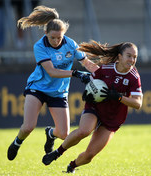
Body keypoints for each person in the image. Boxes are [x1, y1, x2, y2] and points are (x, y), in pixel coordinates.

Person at [7, 6, 99, 161]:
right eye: (53, 38)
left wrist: (104, 75)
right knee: (28, 126)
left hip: (58, 92)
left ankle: (50, 133)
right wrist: (76, 73)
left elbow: (88, 64)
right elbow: (52, 71)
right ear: (45, 34)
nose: (56, 41)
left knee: (63, 134)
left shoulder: (70, 44)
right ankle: (17, 141)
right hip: (38, 88)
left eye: (59, 38)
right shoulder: (39, 46)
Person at [42, 40, 143, 173]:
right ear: (119, 56)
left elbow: (138, 104)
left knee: (89, 156)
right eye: (129, 55)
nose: (132, 59)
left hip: (113, 118)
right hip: (95, 107)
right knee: (84, 130)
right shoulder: (106, 68)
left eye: (135, 57)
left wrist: (118, 97)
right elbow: (92, 82)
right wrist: (87, 92)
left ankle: (71, 166)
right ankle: (57, 153)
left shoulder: (133, 77)